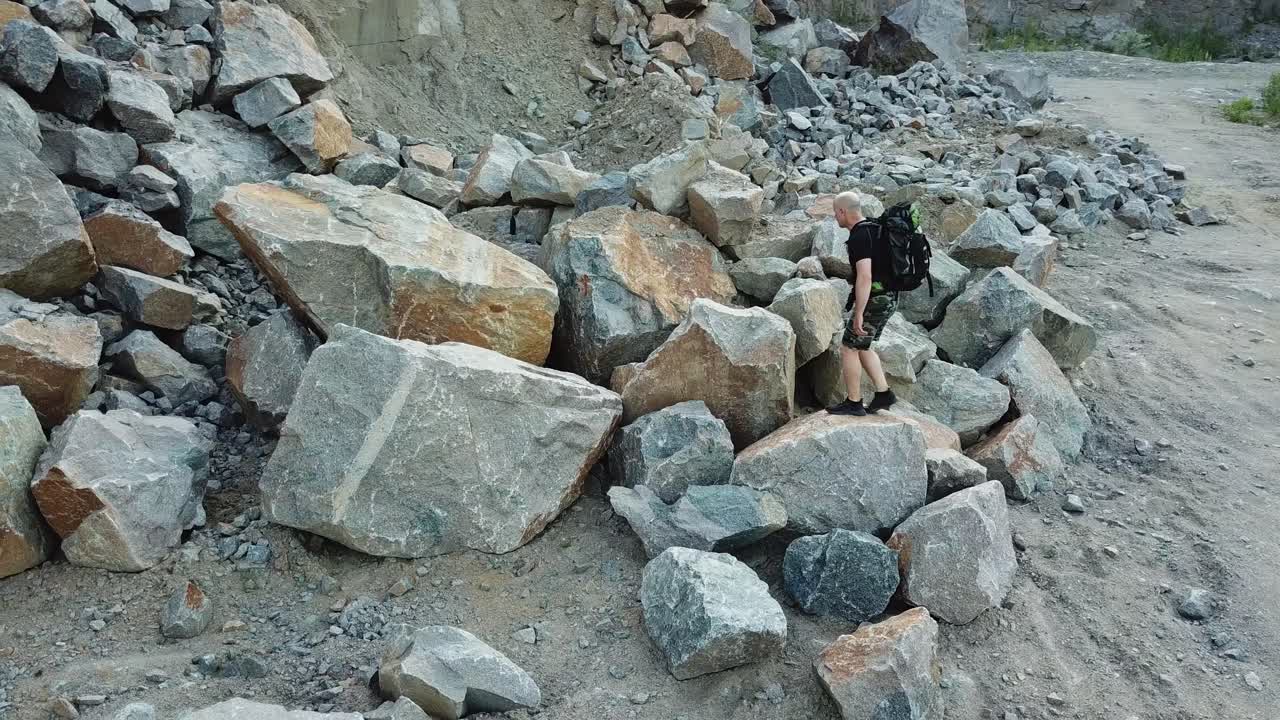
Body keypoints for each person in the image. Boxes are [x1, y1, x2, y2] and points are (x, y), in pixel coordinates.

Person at [828, 191, 897, 416]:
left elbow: (865, 276)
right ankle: (884, 393)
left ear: (842, 211)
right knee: (862, 344)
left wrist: (859, 311)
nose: (835, 217)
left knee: (849, 346)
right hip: (890, 296)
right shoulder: (875, 228)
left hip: (875, 299)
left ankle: (854, 402)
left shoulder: (859, 236)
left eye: (835, 213)